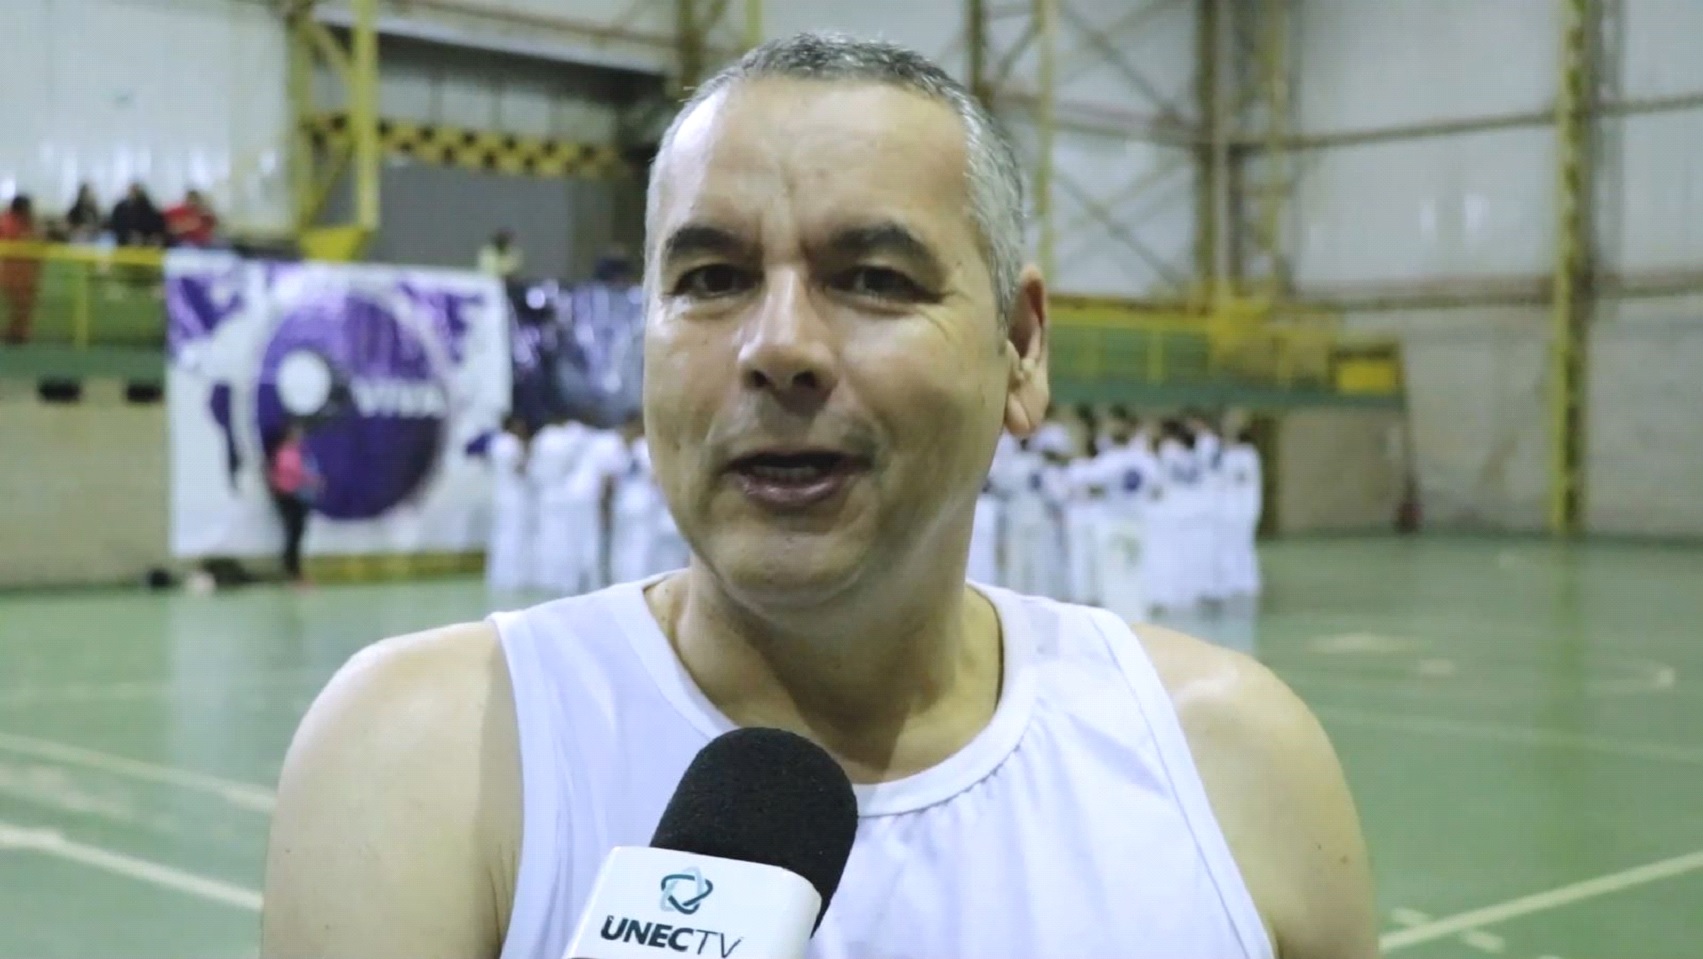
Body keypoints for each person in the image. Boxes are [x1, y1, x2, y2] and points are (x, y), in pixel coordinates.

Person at [261, 32, 1377, 959]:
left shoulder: (1231, 766)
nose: (778, 345)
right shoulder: (426, 760)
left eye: (872, 279)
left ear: (1021, 348)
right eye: (710, 279)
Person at [265, 421, 320, 584]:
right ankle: (293, 571)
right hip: (289, 497)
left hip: (295, 497)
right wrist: (311, 480)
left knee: (296, 534)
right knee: (293, 534)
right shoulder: (285, 452)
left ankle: (294, 569)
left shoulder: (296, 452)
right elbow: (291, 473)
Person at [485, 417, 533, 593]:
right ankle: (513, 577)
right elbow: (519, 469)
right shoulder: (513, 444)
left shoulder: (496, 443)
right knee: (514, 536)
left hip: (499, 495)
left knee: (500, 536)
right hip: (514, 496)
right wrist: (527, 453)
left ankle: (499, 576)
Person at [1, 195, 41, 345]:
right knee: (17, 304)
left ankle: (19, 333)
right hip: (11, 270)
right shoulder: (7, 221)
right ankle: (15, 333)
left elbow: (37, 239)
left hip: (24, 271)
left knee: (23, 304)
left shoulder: (28, 222)